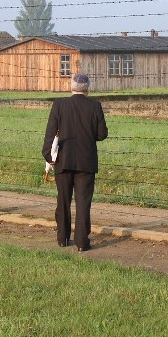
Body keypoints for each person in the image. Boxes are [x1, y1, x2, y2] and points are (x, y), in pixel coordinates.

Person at [42, 73, 108, 252]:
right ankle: (81, 242)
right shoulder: (95, 106)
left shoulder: (59, 105)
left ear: (71, 87)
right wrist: (87, 134)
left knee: (63, 200)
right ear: (87, 89)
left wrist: (49, 156)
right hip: (86, 162)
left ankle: (62, 238)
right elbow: (102, 134)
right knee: (83, 201)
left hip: (63, 160)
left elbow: (50, 133)